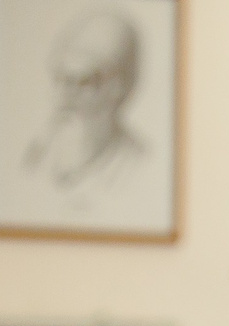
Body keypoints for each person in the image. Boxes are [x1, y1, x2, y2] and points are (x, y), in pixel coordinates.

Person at [22, 11, 146, 196]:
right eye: (61, 79)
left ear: (117, 87)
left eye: (83, 81)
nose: (66, 94)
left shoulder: (138, 166)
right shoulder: (36, 155)